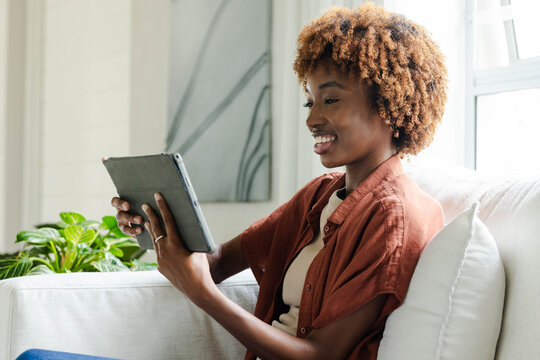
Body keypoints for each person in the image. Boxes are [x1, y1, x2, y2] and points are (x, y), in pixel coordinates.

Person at [112, 3, 447, 359]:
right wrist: (154, 221)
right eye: (309, 103)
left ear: (388, 104)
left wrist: (203, 295)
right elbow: (219, 261)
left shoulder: (394, 218)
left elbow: (318, 355)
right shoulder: (318, 197)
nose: (312, 119)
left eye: (330, 100)